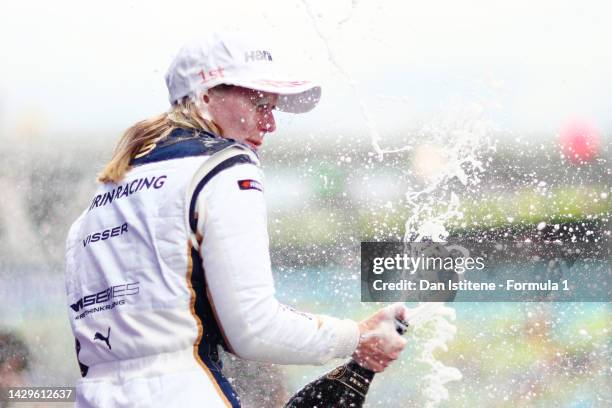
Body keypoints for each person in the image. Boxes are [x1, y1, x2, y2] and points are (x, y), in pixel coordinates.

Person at [64, 31, 407, 408]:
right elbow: (254, 329)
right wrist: (357, 338)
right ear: (206, 96)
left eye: (273, 107)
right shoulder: (225, 166)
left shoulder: (99, 202)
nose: (270, 123)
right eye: (260, 102)